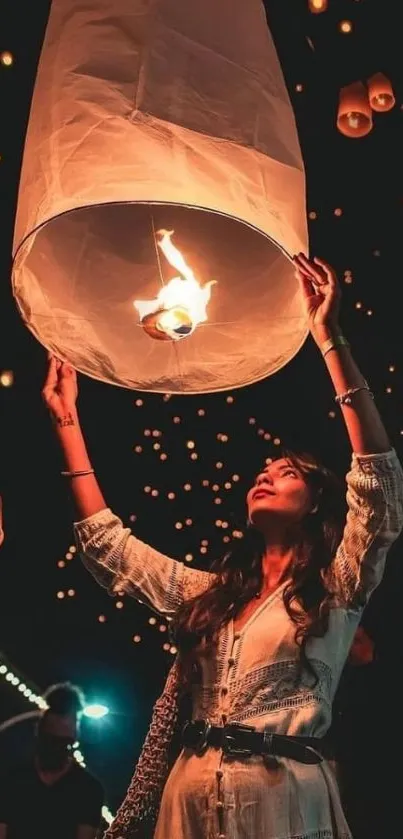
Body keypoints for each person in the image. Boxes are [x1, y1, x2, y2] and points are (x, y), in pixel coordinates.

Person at [41, 253, 403, 839]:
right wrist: (67, 423)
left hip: (282, 796)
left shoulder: (338, 584)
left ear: (314, 502)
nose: (264, 475)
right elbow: (111, 549)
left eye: (285, 472)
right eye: (261, 470)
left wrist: (331, 339)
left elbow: (379, 484)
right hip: (190, 801)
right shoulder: (208, 594)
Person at [0, 682, 104, 839]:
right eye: (52, 741)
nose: (57, 749)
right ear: (40, 733)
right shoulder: (12, 780)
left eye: (63, 743)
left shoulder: (89, 789)